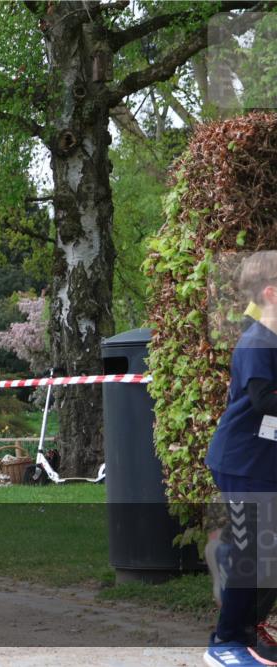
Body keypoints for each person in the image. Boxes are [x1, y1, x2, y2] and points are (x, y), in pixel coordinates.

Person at [202, 251, 277, 667]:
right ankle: (226, 642)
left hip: (263, 460)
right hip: (242, 460)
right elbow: (265, 401)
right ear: (271, 293)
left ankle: (249, 629)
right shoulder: (256, 341)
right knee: (255, 555)